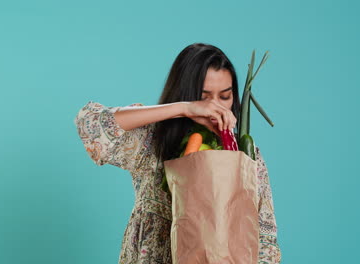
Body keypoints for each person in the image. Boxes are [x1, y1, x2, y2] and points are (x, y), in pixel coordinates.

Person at [73, 43, 282, 264]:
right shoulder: (151, 140)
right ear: (185, 95)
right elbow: (91, 125)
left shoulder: (245, 156)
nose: (215, 107)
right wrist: (183, 109)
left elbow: (266, 237)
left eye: (225, 96)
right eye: (204, 97)